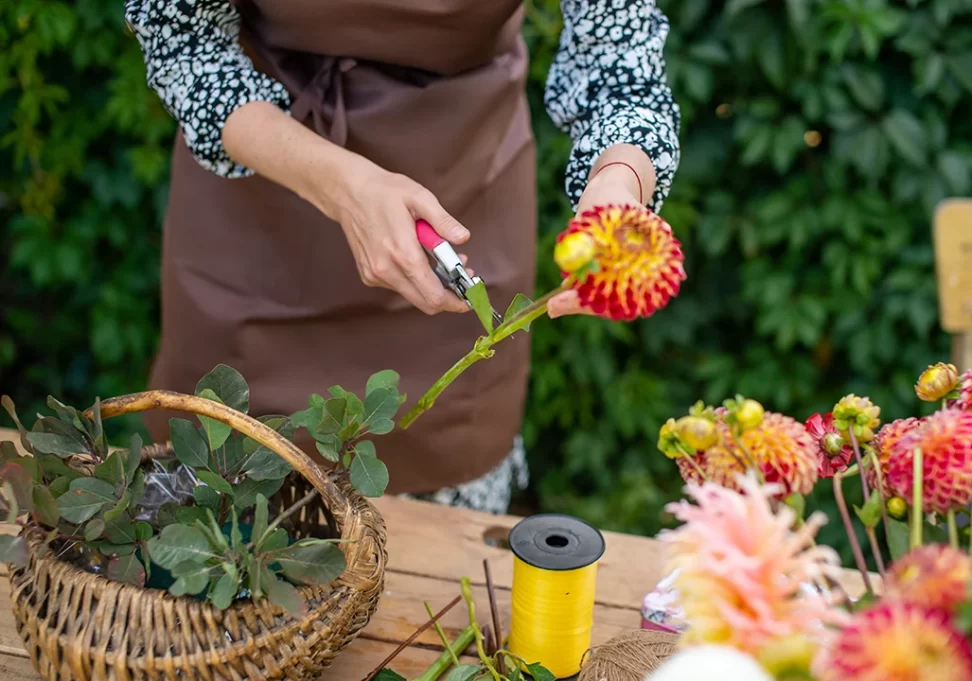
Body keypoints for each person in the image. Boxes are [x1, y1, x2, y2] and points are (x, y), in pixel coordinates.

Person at [125, 0, 680, 515]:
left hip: (462, 192)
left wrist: (619, 185)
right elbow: (184, 46)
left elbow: (621, 64)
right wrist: (345, 187)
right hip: (258, 196)